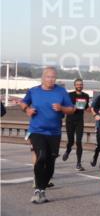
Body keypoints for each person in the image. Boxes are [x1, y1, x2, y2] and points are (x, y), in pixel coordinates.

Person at [20, 67, 74, 204]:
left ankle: (42, 189)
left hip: (54, 132)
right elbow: (23, 103)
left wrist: (61, 108)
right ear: (43, 78)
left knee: (51, 160)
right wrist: (27, 109)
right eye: (49, 77)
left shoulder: (61, 92)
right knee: (41, 156)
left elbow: (72, 109)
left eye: (54, 77)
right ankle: (38, 189)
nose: (51, 79)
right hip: (37, 130)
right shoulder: (33, 91)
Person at [62, 78, 90, 171]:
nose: (79, 86)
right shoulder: (70, 95)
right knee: (71, 141)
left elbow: (86, 107)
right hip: (70, 121)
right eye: (78, 84)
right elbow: (65, 106)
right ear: (75, 85)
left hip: (79, 121)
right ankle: (68, 151)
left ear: (83, 85)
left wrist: (92, 111)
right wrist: (71, 108)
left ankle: (78, 163)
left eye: (81, 84)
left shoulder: (86, 96)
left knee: (79, 142)